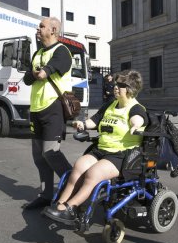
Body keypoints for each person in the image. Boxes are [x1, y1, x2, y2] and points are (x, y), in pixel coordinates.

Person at [43, 70, 148, 224]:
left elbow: (139, 119)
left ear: (131, 89)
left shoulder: (135, 108)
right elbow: (95, 120)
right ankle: (59, 205)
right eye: (115, 84)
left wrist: (136, 125)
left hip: (121, 154)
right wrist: (83, 124)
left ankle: (71, 208)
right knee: (78, 167)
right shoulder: (110, 105)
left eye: (121, 85)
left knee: (93, 174)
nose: (116, 87)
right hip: (101, 149)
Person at [22, 17, 73, 210]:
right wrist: (34, 73)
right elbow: (28, 78)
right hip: (36, 109)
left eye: (42, 26)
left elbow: (44, 73)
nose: (38, 28)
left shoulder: (62, 51)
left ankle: (74, 186)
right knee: (38, 157)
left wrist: (38, 73)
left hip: (53, 108)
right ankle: (46, 195)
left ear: (53, 30)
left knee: (50, 153)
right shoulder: (38, 53)